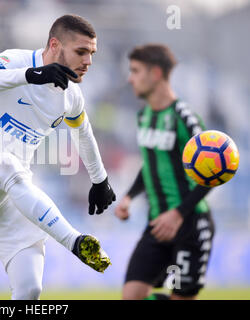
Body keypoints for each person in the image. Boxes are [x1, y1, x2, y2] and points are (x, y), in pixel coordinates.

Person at [0, 14, 115, 299]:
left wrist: (100, 180)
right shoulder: (16, 60)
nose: (88, 62)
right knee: (6, 165)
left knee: (30, 289)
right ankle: (75, 241)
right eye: (81, 52)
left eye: (92, 53)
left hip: (11, 195)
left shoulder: (72, 96)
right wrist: (30, 76)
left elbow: (83, 133)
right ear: (55, 45)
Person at [115, 44, 215, 300]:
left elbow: (212, 172)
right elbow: (151, 165)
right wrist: (128, 196)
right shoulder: (143, 116)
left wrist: (178, 214)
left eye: (136, 71)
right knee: (131, 296)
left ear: (156, 73)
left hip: (190, 224)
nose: (130, 78)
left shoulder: (185, 118)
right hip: (157, 224)